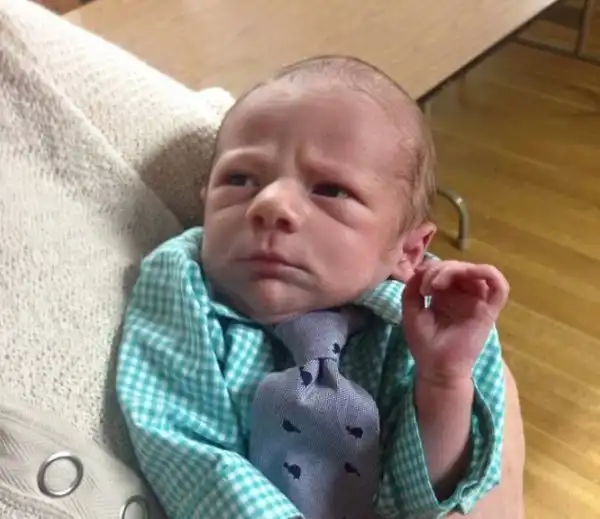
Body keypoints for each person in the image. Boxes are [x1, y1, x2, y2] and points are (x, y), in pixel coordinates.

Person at [116, 55, 524, 519]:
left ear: (408, 251)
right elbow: (187, 450)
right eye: (240, 179)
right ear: (205, 200)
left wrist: (444, 382)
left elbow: (427, 497)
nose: (270, 204)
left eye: (329, 190)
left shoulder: (430, 320)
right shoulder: (182, 286)